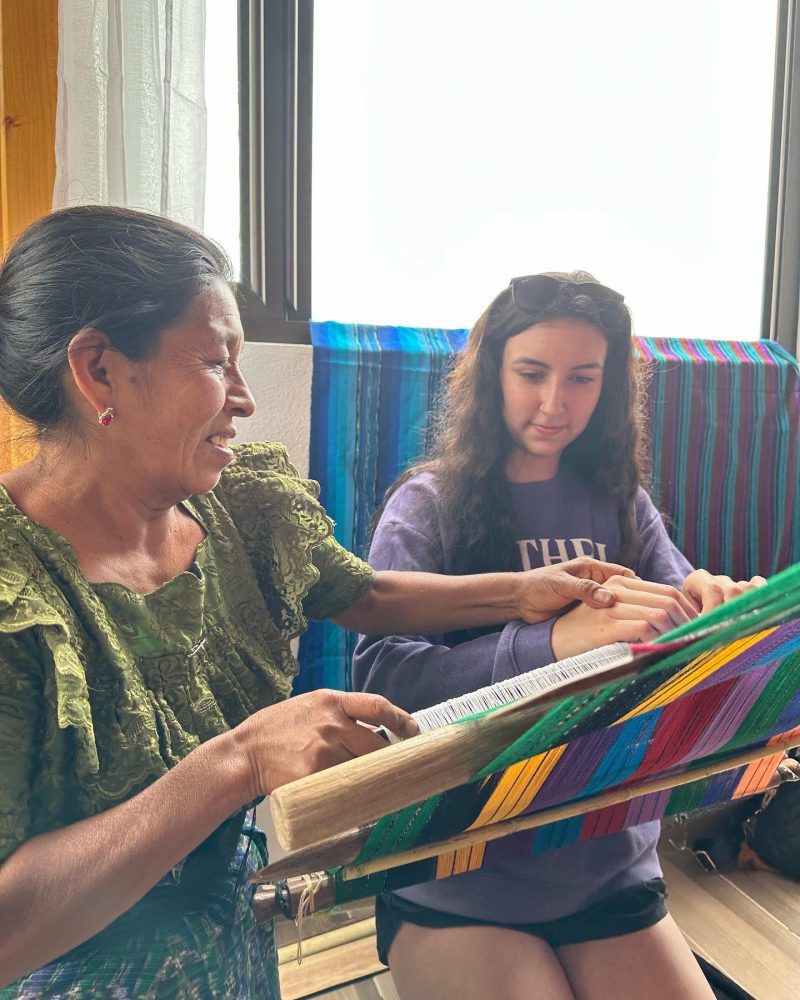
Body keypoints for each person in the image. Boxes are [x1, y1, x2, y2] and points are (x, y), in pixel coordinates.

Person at [0, 218, 630, 998]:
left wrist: (520, 589)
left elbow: (363, 594)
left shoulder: (239, 509)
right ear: (98, 370)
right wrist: (242, 759)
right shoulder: (16, 598)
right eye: (215, 361)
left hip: (234, 939)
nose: (245, 398)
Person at [353, 272, 763, 1000]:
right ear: (490, 374)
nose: (554, 403)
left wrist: (718, 608)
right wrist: (546, 645)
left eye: (582, 378)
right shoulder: (427, 504)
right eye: (531, 374)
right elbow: (383, 682)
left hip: (605, 863)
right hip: (459, 872)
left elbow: (681, 609)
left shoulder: (622, 501)